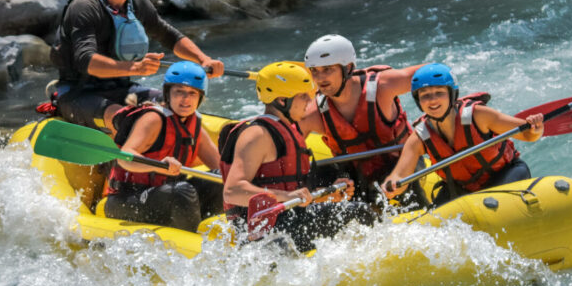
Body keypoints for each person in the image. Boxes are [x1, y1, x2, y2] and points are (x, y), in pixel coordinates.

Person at [49, 0, 224, 129]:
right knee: (126, 119)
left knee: (178, 108)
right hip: (78, 93)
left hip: (122, 90)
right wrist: (134, 68)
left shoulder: (138, 2)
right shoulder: (85, 6)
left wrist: (203, 59)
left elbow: (168, 35)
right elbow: (85, 60)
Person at [218, 61, 375, 253]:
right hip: (263, 230)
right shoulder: (257, 134)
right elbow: (232, 191)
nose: (310, 102)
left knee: (344, 192)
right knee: (359, 212)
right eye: (303, 96)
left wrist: (326, 195)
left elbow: (291, 190)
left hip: (288, 220)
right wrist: (287, 197)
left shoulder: (288, 130)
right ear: (282, 101)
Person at [382, 63, 545, 207]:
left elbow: (528, 135)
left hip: (505, 175)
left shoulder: (478, 116)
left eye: (439, 92)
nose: (432, 100)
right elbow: (399, 176)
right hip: (462, 188)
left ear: (452, 94)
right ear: (418, 101)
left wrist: (536, 128)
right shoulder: (419, 137)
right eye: (425, 95)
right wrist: (392, 185)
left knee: (490, 203)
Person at [296, 34, 424, 205]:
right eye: (315, 71)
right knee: (320, 170)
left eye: (327, 69)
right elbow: (288, 155)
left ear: (348, 68)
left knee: (396, 175)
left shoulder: (383, 86)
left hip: (402, 166)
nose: (320, 79)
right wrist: (319, 192)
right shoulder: (312, 114)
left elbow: (435, 74)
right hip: (353, 177)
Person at [102, 61, 223, 232]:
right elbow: (125, 157)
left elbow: (221, 166)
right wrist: (158, 166)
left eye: (192, 93)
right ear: (167, 94)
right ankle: (193, 242)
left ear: (200, 97)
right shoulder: (154, 119)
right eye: (179, 92)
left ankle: (217, 231)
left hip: (168, 196)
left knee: (221, 178)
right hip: (127, 198)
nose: (186, 99)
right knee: (181, 191)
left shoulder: (194, 124)